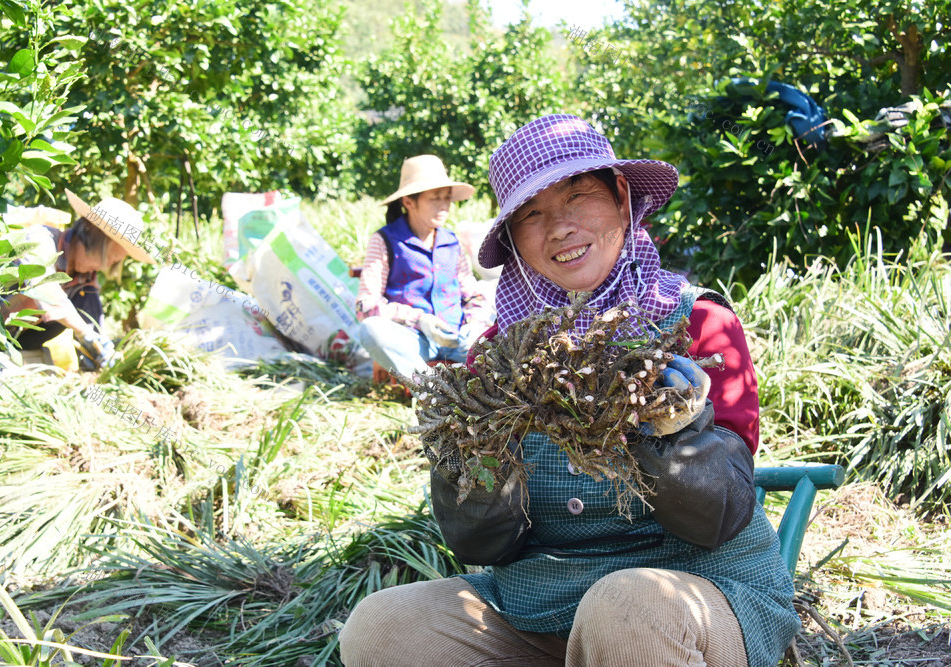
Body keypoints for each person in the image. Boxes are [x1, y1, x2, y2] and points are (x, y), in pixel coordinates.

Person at [339, 115, 801, 666]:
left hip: (693, 601)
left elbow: (720, 518)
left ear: (623, 200)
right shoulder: (500, 357)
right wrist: (473, 454)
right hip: (539, 612)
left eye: (579, 195)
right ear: (513, 240)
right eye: (532, 214)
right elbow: (483, 545)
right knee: (379, 627)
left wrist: (679, 437)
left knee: (626, 608)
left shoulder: (698, 325)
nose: (559, 226)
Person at [356, 154, 492, 378]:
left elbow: (473, 295)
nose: (444, 206)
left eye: (447, 198)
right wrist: (419, 319)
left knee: (503, 329)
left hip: (458, 337)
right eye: (435, 198)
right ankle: (428, 389)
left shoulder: (451, 241)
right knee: (370, 330)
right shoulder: (385, 240)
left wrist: (475, 323)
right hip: (415, 339)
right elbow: (365, 305)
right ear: (409, 202)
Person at [0, 189, 156, 369]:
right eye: (107, 258)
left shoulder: (84, 277)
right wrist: (84, 333)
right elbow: (45, 290)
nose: (103, 268)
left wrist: (99, 348)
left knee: (80, 303)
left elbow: (91, 319)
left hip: (14, 340)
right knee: (66, 311)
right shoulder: (40, 239)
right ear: (91, 234)